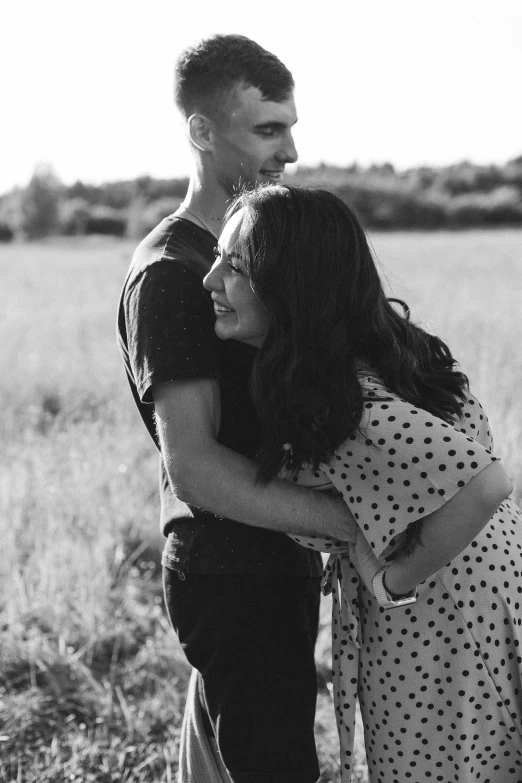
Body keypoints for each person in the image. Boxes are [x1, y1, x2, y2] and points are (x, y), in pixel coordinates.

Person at [202, 184, 522, 783]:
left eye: (235, 265)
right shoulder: (380, 353)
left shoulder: (347, 402)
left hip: (441, 623)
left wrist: (391, 580)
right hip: (482, 593)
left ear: (289, 284)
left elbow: (487, 485)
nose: (209, 280)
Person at [117, 36, 359, 783]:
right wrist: (351, 524)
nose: (289, 149)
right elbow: (193, 466)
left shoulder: (252, 253)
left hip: (265, 558)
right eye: (267, 129)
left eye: (290, 126)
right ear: (201, 132)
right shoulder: (171, 275)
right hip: (232, 575)